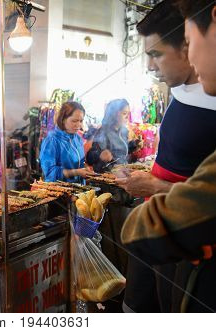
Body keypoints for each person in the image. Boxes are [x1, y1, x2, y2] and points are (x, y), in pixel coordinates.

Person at [116, 0, 216, 313]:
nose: (149, 66)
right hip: (162, 231)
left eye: (156, 54)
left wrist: (157, 188)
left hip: (186, 245)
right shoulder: (180, 91)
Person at [39, 101, 95, 183]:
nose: (78, 125)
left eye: (81, 121)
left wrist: (86, 169)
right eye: (74, 121)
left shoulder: (77, 138)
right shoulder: (52, 140)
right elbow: (50, 172)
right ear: (63, 119)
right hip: (59, 191)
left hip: (79, 189)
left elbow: (79, 163)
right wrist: (76, 172)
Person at [86, 99, 141, 173]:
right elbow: (90, 157)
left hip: (121, 173)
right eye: (124, 113)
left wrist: (133, 145)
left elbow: (120, 152)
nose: (127, 117)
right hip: (106, 175)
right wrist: (99, 155)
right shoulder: (104, 131)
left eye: (128, 113)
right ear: (114, 114)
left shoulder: (123, 131)